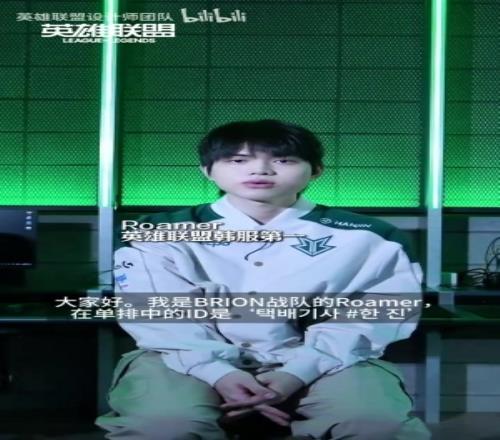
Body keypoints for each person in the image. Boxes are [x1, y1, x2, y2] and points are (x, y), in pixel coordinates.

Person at [95, 120, 431, 439]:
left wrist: (296, 373)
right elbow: (161, 317)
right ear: (207, 170)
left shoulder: (370, 237)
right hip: (182, 357)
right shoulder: (156, 233)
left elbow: (373, 316)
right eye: (238, 160)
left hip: (326, 359)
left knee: (376, 425)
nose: (260, 170)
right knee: (164, 425)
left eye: (283, 160)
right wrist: (219, 373)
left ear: (316, 170)